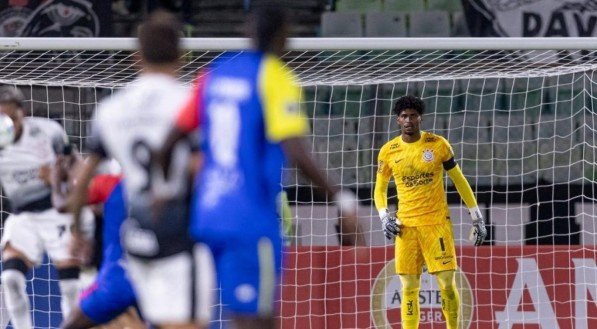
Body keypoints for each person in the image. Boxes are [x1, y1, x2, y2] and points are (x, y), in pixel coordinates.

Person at [159, 5, 366, 329]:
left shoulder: (213, 74)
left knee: (220, 315)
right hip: (250, 219)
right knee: (256, 319)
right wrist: (341, 198)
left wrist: (168, 194)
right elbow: (296, 150)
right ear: (284, 37)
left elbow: (170, 141)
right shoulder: (275, 76)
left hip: (206, 217)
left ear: (247, 32)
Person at [68, 11, 212, 329]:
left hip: (135, 238)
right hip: (180, 235)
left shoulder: (111, 109)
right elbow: (203, 167)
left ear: (136, 57)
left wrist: (77, 232)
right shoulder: (192, 102)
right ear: (182, 55)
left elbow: (82, 182)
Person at [373, 95, 488, 329]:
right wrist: (384, 217)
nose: (409, 120)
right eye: (404, 116)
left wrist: (476, 217)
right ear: (397, 120)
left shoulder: (438, 145)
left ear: (420, 118)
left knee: (446, 282)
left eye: (413, 116)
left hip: (436, 224)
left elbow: (460, 181)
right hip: (406, 227)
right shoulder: (388, 151)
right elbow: (380, 190)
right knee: (409, 286)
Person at [0, 87, 92, 329]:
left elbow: (76, 166)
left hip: (56, 213)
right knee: (10, 278)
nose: (6, 125)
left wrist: (58, 179)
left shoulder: (48, 131)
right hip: (23, 217)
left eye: (11, 118)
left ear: (23, 113)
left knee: (72, 287)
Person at [61, 172, 142, 329]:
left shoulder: (113, 184)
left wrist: (77, 233)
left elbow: (65, 202)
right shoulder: (179, 186)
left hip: (119, 276)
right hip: (159, 277)